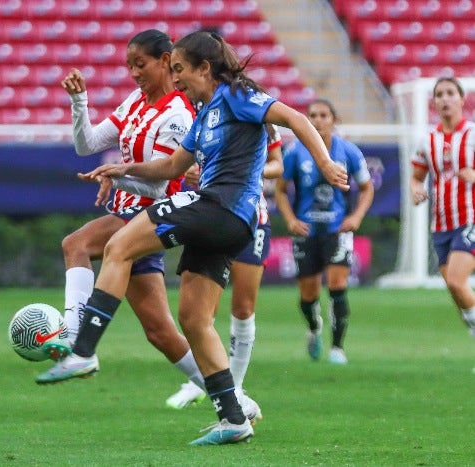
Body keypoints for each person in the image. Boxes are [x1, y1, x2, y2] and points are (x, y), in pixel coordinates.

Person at [39, 30, 348, 445]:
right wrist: (122, 170)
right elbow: (169, 167)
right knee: (194, 320)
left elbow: (295, 118)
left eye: (181, 69)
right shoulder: (203, 115)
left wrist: (325, 163)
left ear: (205, 68)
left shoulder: (237, 95)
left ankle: (82, 351)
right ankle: (234, 417)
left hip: (221, 209)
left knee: (118, 246)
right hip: (222, 222)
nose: (177, 78)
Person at [39, 29, 209, 394]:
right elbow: (87, 146)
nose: (134, 73)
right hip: (130, 217)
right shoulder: (135, 101)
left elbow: (162, 186)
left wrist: (117, 177)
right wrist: (79, 101)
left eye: (140, 64)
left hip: (149, 216)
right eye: (129, 65)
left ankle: (74, 340)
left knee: (76, 244)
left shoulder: (178, 114)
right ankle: (235, 400)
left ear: (165, 61)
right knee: (160, 332)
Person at [165, 123, 283, 417]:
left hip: (252, 218)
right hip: (213, 216)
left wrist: (251, 171)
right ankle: (199, 379)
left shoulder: (259, 116)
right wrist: (191, 173)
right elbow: (185, 164)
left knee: (243, 307)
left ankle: (237, 387)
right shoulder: (206, 117)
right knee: (201, 312)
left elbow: (277, 165)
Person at [274, 99, 374, 364]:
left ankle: (338, 348)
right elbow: (280, 190)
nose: (318, 120)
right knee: (308, 294)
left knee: (338, 285)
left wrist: (356, 217)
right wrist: (291, 220)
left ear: (334, 120)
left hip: (337, 228)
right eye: (313, 116)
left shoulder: (349, 151)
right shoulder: (295, 152)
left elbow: (367, 187)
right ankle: (314, 327)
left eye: (324, 115)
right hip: (306, 230)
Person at [410, 76, 475, 342]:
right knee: (456, 291)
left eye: (450, 93)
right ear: (434, 102)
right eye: (439, 94)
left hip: (470, 217)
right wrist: (416, 189)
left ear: (462, 99)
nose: (444, 99)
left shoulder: (472, 134)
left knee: (456, 282)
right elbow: (417, 176)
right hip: (441, 225)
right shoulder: (427, 140)